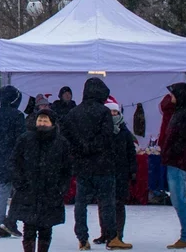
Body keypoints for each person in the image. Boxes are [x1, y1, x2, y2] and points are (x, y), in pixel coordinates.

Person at [61, 77, 129, 250]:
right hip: (103, 165)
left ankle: (82, 239)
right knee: (107, 203)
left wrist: (80, 150)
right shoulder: (103, 112)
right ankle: (112, 237)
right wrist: (93, 148)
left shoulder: (73, 113)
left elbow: (66, 137)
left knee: (80, 204)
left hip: (82, 165)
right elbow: (107, 138)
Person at [11, 109, 70, 252]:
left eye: (45, 121)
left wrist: (61, 187)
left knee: (46, 228)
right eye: (40, 120)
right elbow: (15, 162)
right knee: (29, 228)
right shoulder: (25, 139)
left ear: (52, 124)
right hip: (28, 190)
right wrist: (19, 183)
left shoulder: (61, 143)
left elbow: (67, 168)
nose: (42, 123)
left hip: (50, 191)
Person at [94, 97, 137, 247]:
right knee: (103, 204)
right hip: (104, 172)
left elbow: (131, 153)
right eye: (110, 112)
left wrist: (133, 171)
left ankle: (118, 234)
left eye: (115, 111)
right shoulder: (100, 131)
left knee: (118, 204)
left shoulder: (124, 133)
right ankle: (105, 233)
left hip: (120, 173)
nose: (113, 114)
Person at [163, 83, 186, 249]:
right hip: (175, 161)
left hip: (177, 162)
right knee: (178, 200)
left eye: (173, 94)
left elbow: (181, 141)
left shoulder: (184, 114)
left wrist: (169, 153)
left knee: (178, 201)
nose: (171, 97)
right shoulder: (181, 112)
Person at [0, 85, 25, 238]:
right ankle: (10, 221)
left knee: (2, 192)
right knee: (19, 192)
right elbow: (21, 139)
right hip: (14, 159)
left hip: (0, 158)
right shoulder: (17, 115)